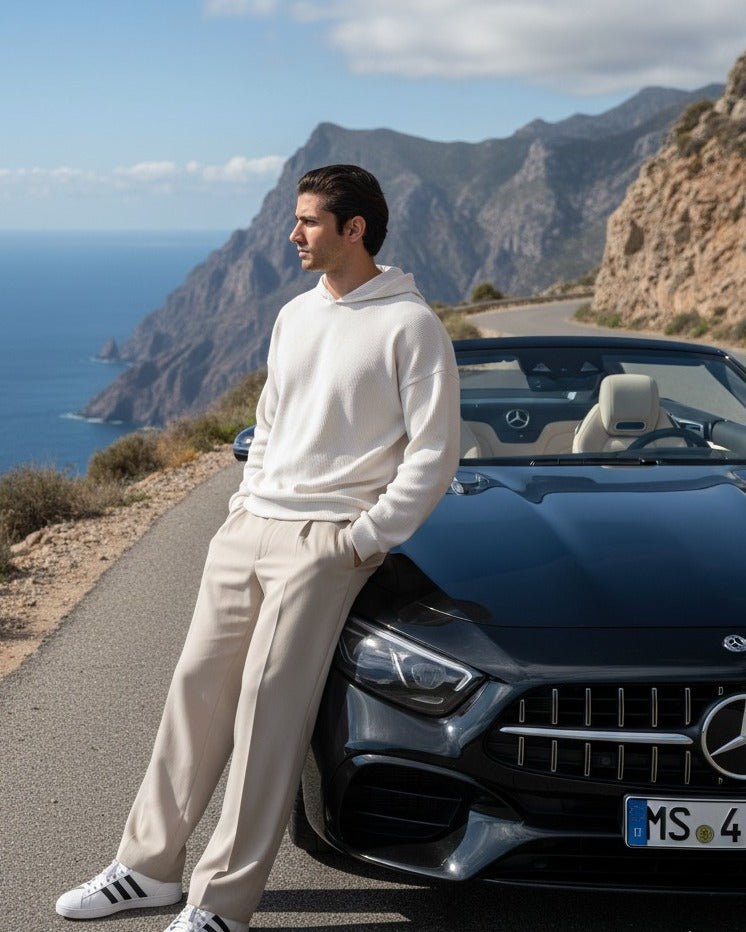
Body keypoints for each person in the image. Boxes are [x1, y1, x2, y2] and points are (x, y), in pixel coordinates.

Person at [55, 164, 461, 931]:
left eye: (308, 221)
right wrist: (242, 504)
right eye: (296, 219)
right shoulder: (294, 316)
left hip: (325, 543)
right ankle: (147, 869)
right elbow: (270, 421)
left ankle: (220, 905)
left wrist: (360, 539)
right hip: (250, 527)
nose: (292, 234)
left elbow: (433, 455)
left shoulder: (411, 325)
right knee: (195, 696)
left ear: (355, 229)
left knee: (267, 716)